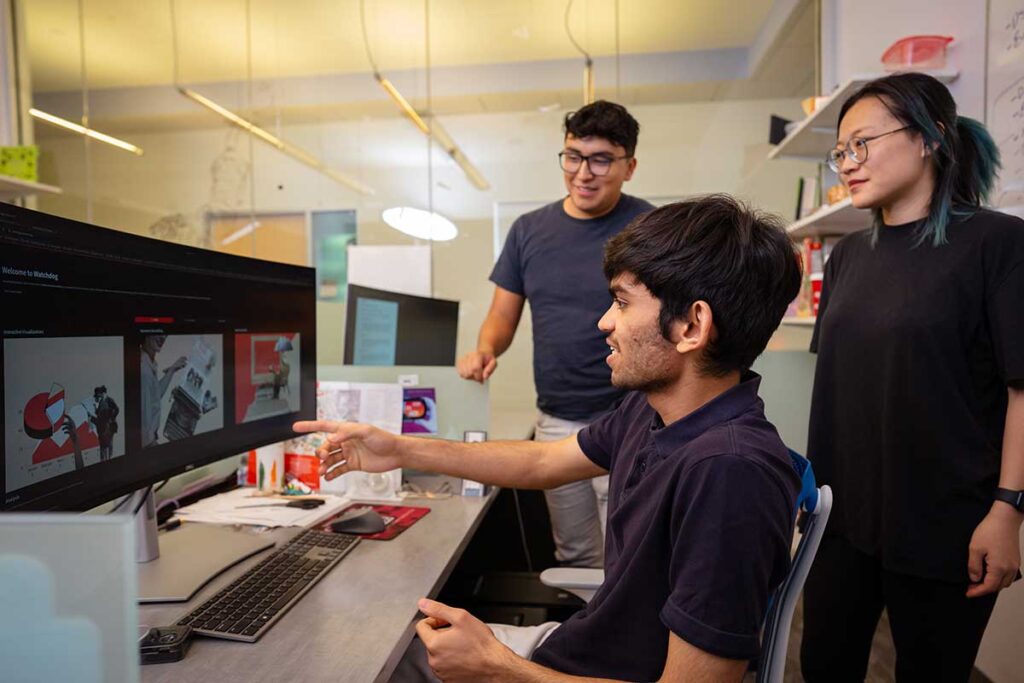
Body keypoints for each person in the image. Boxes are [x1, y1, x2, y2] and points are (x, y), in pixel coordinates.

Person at [297, 195, 803, 682]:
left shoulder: (729, 474)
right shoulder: (653, 411)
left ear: (692, 326)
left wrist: (499, 670)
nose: (605, 323)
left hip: (563, 671)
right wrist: (402, 448)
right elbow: (542, 462)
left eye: (623, 303)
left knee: (360, 663)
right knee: (377, 647)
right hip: (573, 652)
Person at [801, 72, 1024, 681]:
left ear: (931, 138)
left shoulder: (998, 244)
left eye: (862, 144)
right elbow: (845, 392)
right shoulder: (846, 256)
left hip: (946, 521)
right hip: (843, 520)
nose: (847, 163)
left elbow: (1020, 388)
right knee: (823, 663)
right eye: (840, 151)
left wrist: (1008, 510)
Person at [457, 100, 654, 568]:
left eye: (601, 159)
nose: (583, 172)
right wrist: (485, 348)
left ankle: (626, 643)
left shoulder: (649, 229)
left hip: (631, 417)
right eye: (573, 156)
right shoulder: (529, 231)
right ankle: (586, 641)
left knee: (628, 557)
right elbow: (502, 317)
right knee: (576, 555)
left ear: (629, 167)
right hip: (556, 419)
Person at [140, 335, 187, 449]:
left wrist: (172, 370)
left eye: (165, 335)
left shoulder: (150, 362)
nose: (163, 338)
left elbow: (155, 395)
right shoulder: (144, 370)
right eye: (157, 331)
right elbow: (145, 429)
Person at [90, 385, 119, 461]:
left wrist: (111, 417)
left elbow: (116, 410)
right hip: (104, 428)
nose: (97, 397)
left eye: (98, 395)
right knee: (105, 447)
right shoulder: (102, 402)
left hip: (108, 428)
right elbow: (101, 415)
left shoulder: (109, 401)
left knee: (108, 446)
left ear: (102, 393)